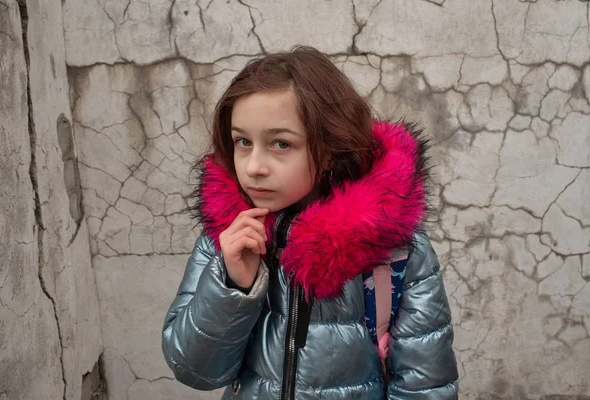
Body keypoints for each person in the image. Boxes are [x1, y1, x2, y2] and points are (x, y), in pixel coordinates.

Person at [161, 46, 458, 400]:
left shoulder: (393, 249)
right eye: (242, 141)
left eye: (281, 144)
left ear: (331, 148)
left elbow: (425, 387)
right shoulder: (228, 238)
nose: (254, 166)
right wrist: (233, 287)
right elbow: (196, 371)